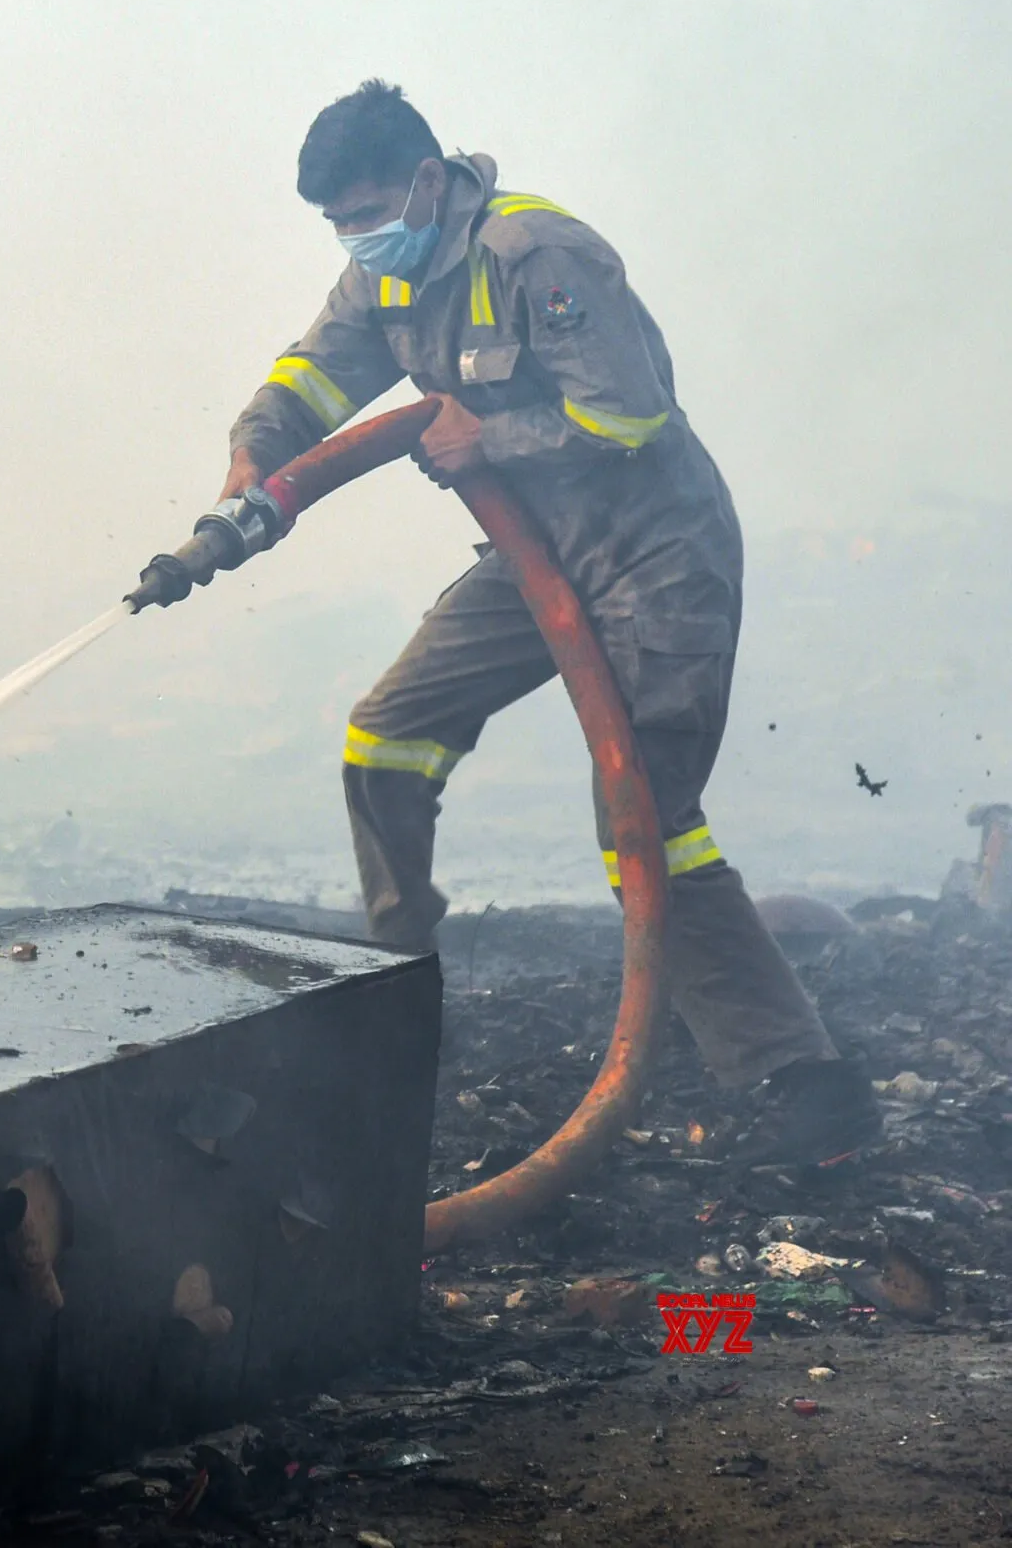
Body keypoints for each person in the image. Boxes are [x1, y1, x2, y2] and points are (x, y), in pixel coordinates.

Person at [194, 78, 875, 1170]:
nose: (356, 239)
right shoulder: (387, 274)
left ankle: (808, 1082)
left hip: (655, 554)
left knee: (646, 820)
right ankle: (400, 994)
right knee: (385, 736)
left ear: (426, 180)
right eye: (336, 224)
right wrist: (254, 455)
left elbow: (630, 412)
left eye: (365, 213)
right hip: (533, 553)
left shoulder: (535, 254)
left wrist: (491, 439)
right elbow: (315, 375)